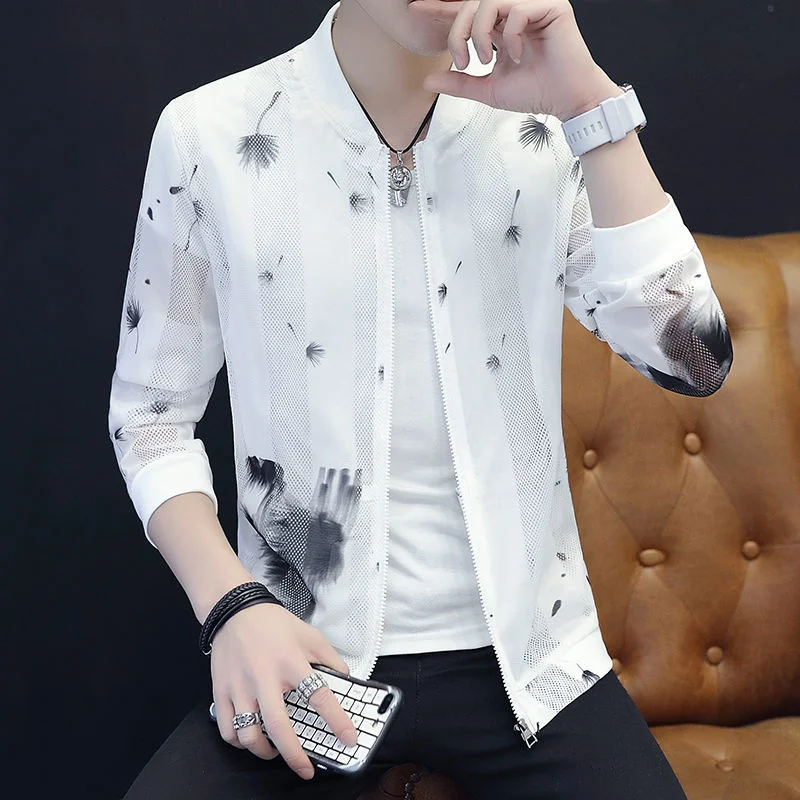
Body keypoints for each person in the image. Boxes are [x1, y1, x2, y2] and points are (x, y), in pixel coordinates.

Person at [108, 1, 733, 797]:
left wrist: (590, 107)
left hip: (536, 668)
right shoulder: (210, 135)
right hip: (308, 664)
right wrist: (232, 606)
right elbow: (151, 418)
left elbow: (694, 360)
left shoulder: (546, 130)